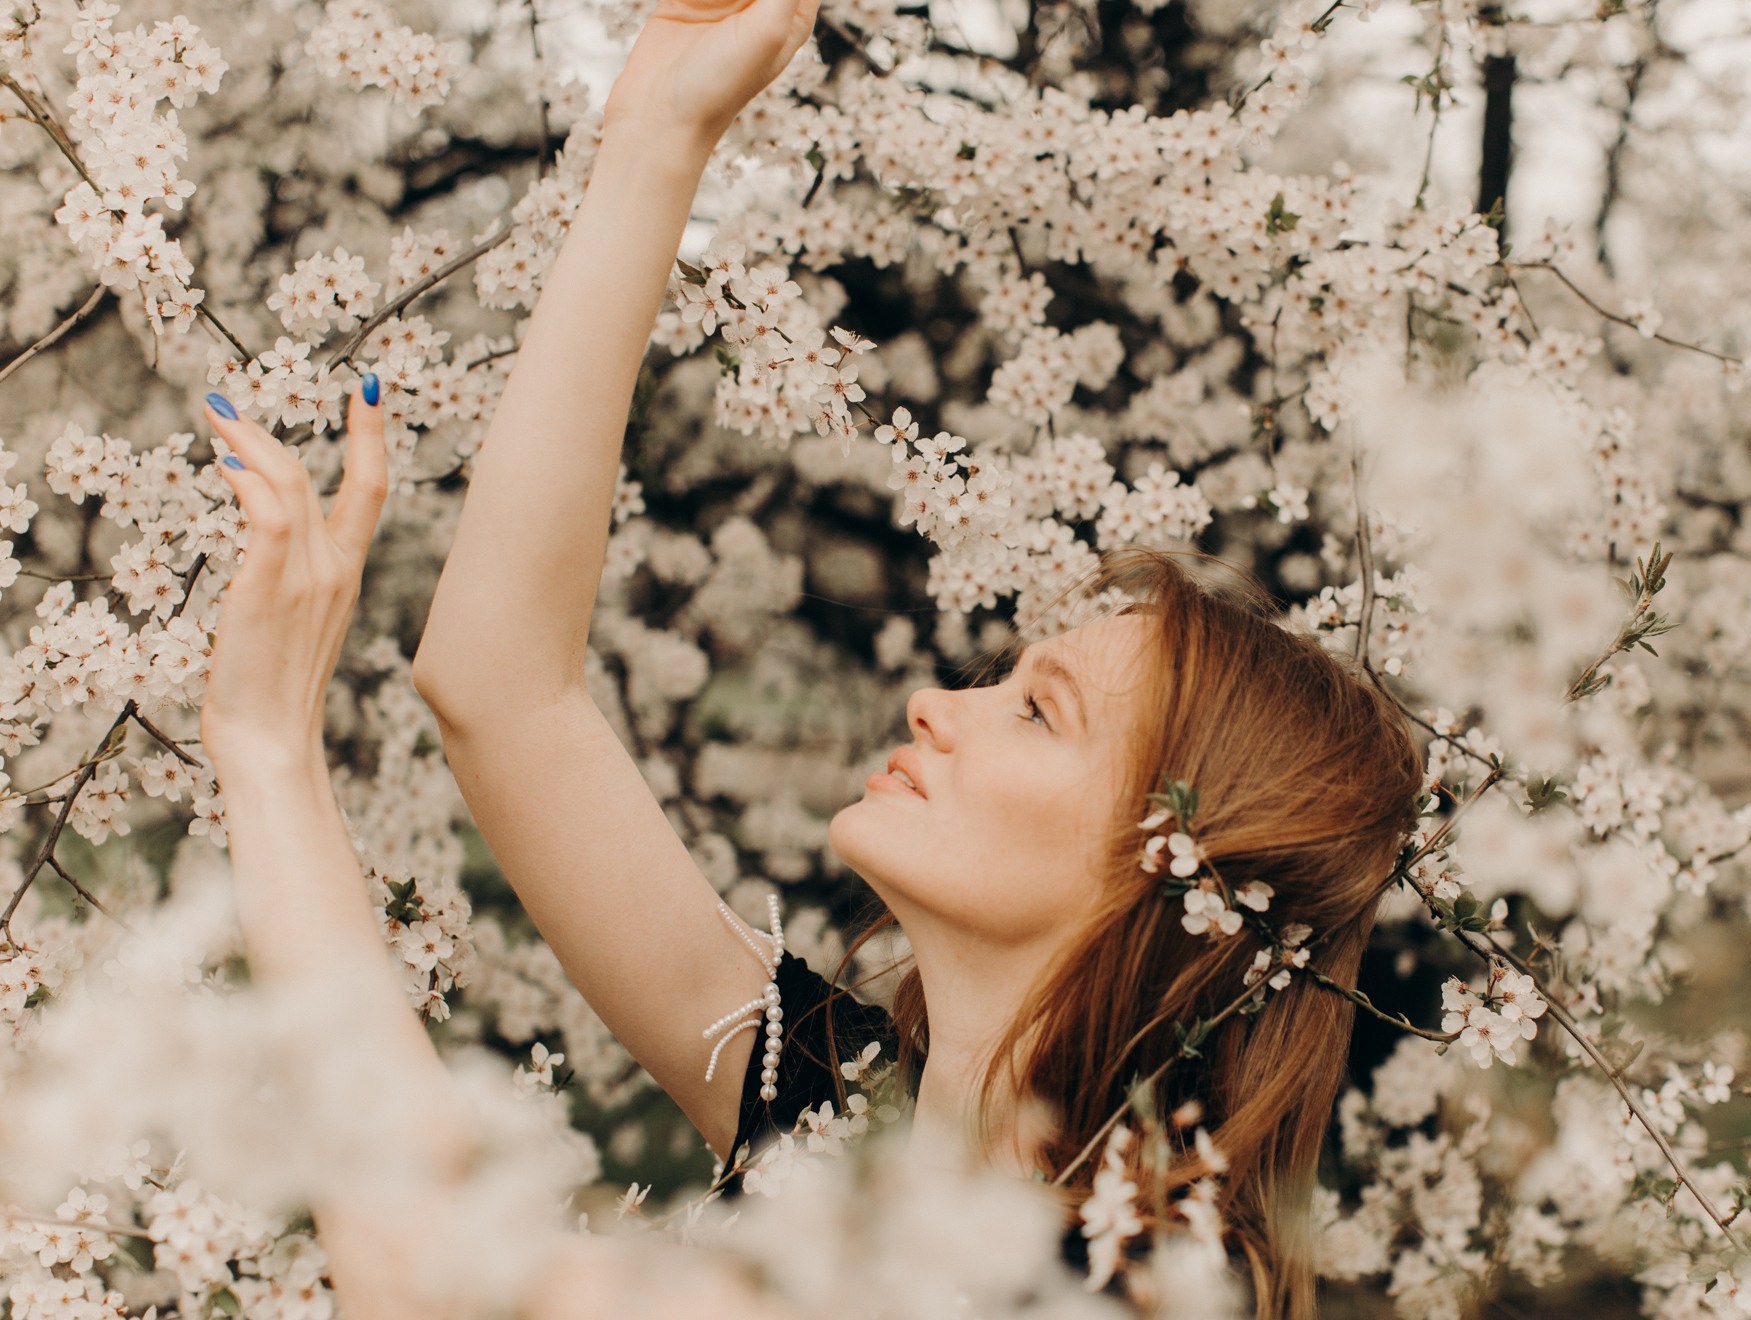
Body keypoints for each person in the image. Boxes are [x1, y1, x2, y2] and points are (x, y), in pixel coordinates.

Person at [199, 0, 1423, 1316]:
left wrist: (268, 760)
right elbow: (503, 693)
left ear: (1175, 869)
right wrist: (658, 134)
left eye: (1039, 714)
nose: (938, 703)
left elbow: (432, 1278)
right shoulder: (842, 1116)